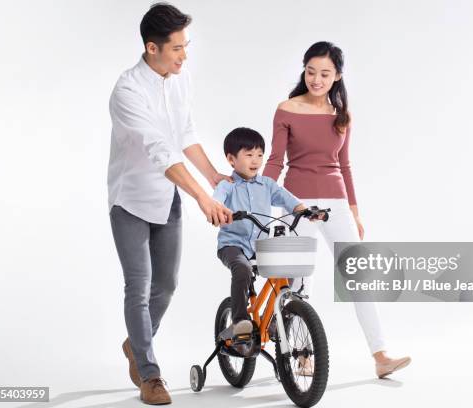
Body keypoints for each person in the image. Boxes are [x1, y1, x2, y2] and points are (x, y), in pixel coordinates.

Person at [262, 41, 412, 378]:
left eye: (324, 74)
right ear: (304, 71)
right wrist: (259, 198)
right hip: (296, 201)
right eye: (311, 71)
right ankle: (301, 356)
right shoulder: (286, 109)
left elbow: (344, 166)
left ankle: (380, 356)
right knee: (299, 280)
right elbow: (275, 161)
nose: (316, 79)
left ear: (337, 76)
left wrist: (354, 211)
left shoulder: (341, 115)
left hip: (337, 202)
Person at [108, 3, 232, 405]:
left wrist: (213, 175)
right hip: (129, 199)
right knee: (139, 287)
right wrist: (201, 196)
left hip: (167, 197)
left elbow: (184, 132)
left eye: (185, 45)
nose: (184, 55)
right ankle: (150, 373)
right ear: (151, 47)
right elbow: (160, 150)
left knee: (168, 285)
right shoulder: (126, 91)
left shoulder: (180, 79)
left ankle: (135, 343)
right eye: (177, 47)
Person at [213, 127, 322, 343]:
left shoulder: (267, 185)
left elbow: (286, 198)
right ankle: (240, 321)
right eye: (249, 154)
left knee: (288, 267)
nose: (256, 160)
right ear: (231, 159)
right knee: (242, 270)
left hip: (261, 245)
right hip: (233, 245)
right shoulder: (227, 186)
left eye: (260, 155)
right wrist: (219, 212)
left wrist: (305, 210)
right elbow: (215, 202)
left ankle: (272, 319)